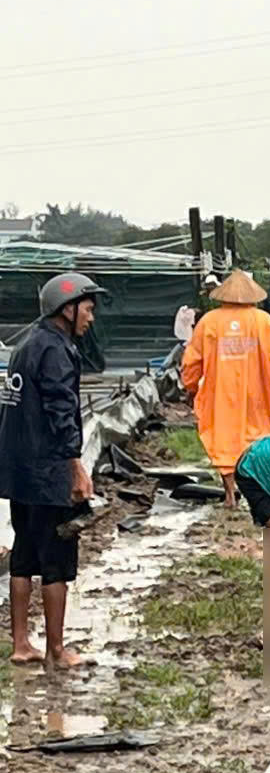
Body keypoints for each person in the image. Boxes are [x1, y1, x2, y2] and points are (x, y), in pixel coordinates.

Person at [0, 272, 105, 667]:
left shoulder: (24, 346)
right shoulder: (57, 350)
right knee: (56, 558)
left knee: (24, 555)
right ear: (68, 308)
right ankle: (57, 650)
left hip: (18, 470)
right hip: (48, 471)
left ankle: (20, 644)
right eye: (88, 310)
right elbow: (62, 411)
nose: (90, 318)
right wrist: (76, 467)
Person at [181, 268, 270, 508]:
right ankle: (258, 494)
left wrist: (190, 387)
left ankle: (230, 494)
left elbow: (192, 360)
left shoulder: (209, 322)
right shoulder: (263, 321)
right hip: (257, 394)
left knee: (224, 441)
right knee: (256, 441)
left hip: (219, 392)